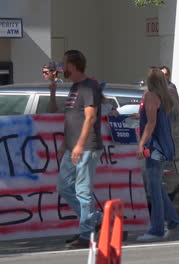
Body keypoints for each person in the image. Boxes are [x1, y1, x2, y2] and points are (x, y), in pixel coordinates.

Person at [49, 50, 103, 249]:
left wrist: (79, 144)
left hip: (86, 146)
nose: (62, 68)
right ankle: (97, 220)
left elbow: (90, 117)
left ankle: (86, 233)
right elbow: (69, 118)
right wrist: (65, 144)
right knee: (64, 187)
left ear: (73, 65)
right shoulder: (75, 87)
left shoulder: (89, 86)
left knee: (82, 191)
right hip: (74, 146)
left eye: (64, 64)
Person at [136, 67, 179, 242]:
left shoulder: (150, 96)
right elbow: (153, 118)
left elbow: (151, 123)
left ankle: (157, 229)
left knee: (153, 188)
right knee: (157, 186)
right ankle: (174, 222)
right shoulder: (166, 97)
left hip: (155, 148)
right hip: (165, 147)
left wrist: (141, 143)